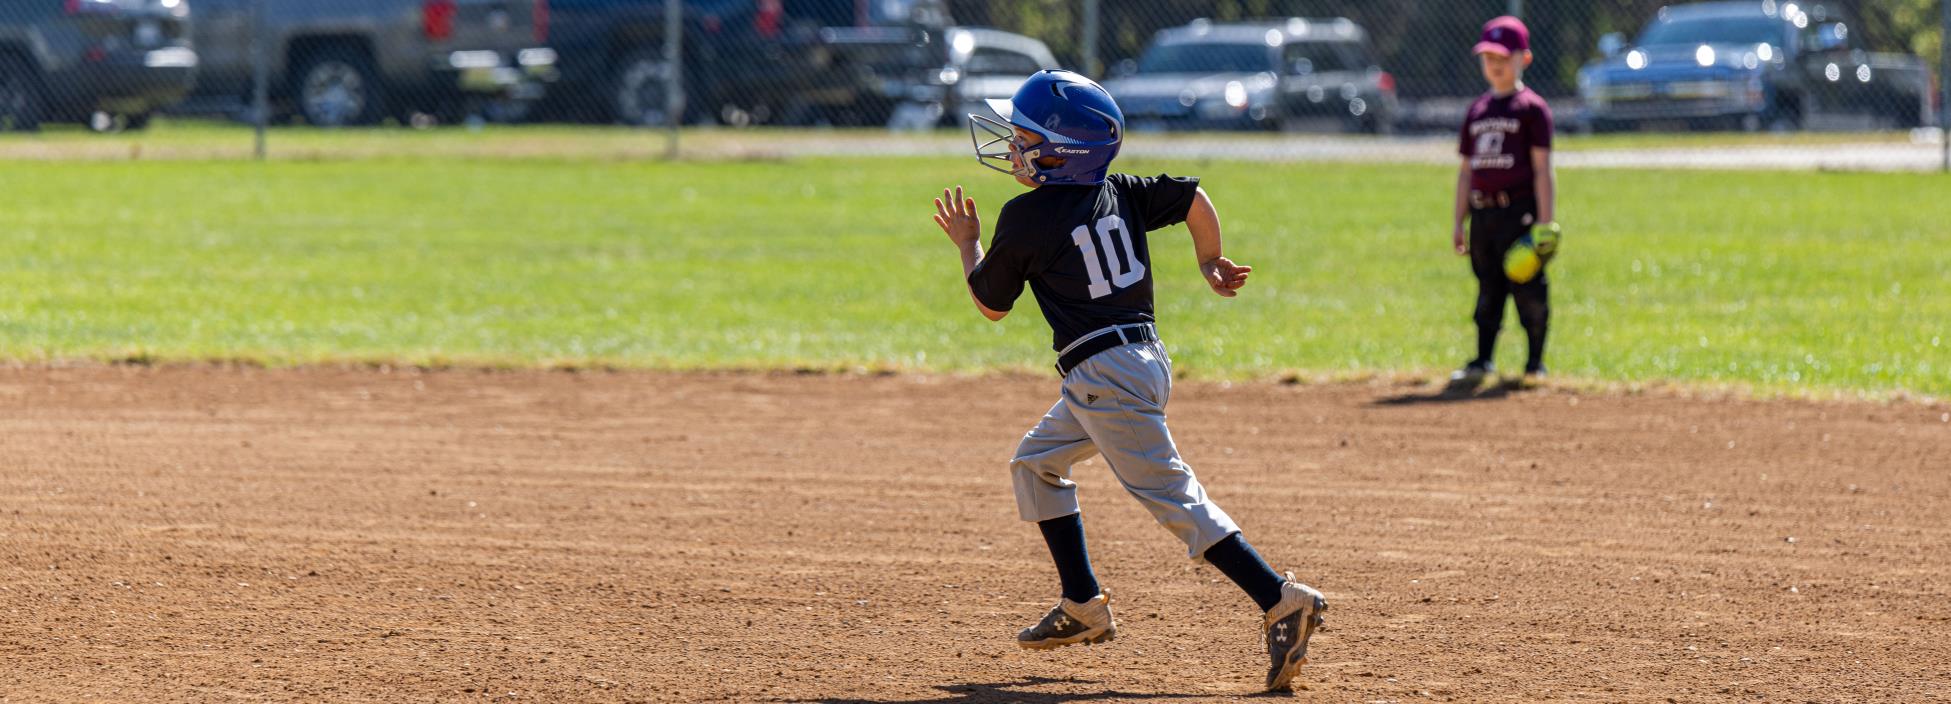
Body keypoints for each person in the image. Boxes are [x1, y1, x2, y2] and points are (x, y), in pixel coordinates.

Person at [927, 69, 1327, 692]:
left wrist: (967, 244)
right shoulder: (1124, 190)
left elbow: (990, 305)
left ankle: (1281, 598)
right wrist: (1209, 258)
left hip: (1103, 378)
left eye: (1024, 138)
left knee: (1174, 498)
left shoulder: (1026, 217)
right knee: (1035, 463)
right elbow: (1195, 198)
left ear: (1059, 155)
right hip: (1139, 362)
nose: (1012, 146)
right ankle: (1083, 604)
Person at [1452, 16, 1560, 387]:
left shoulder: (1531, 109)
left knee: (1528, 289)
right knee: (1487, 290)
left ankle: (1534, 364)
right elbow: (1466, 173)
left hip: (1520, 212)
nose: (1495, 65)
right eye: (1488, 57)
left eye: (1503, 57)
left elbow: (1543, 169)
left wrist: (1545, 222)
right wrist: (1458, 221)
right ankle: (1482, 360)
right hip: (1483, 214)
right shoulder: (1477, 111)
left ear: (1523, 59)